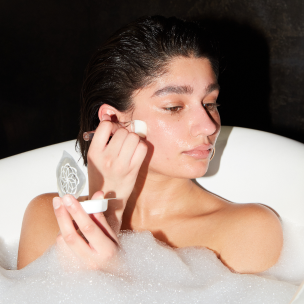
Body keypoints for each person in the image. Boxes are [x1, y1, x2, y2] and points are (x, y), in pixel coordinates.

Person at [17, 15, 283, 273]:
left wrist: (112, 271)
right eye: (174, 107)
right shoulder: (49, 218)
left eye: (210, 103)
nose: (209, 126)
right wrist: (106, 214)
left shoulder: (248, 230)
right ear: (113, 119)